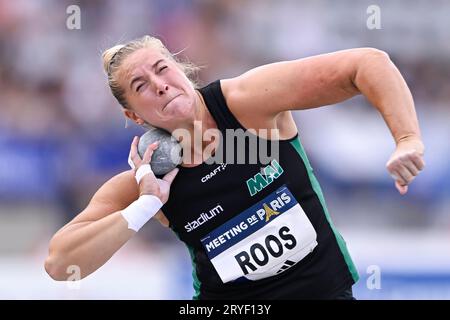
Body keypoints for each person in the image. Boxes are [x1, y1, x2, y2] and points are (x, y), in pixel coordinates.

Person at [44, 35, 425, 299]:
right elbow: (61, 263)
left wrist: (407, 138)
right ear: (132, 114)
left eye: (162, 69)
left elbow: (366, 64)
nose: (159, 85)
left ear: (182, 70)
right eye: (141, 86)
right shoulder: (147, 179)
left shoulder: (247, 102)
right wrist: (145, 206)